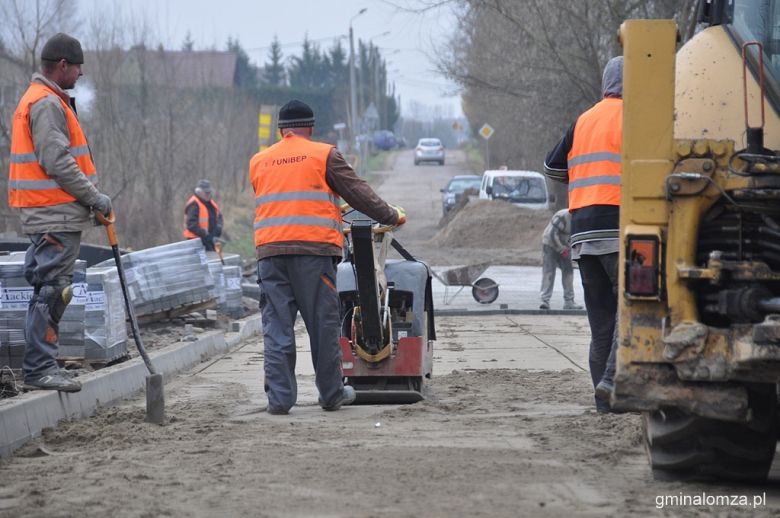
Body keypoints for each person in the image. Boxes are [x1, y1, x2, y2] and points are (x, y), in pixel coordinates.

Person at [248, 99, 405, 415]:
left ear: (281, 130)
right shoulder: (324, 154)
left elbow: (284, 200)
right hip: (314, 253)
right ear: (311, 127)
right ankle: (331, 394)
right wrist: (391, 214)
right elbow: (358, 193)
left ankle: (279, 400)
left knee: (277, 328)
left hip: (270, 254)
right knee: (322, 325)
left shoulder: (259, 161)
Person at [8, 33, 112, 392]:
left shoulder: (47, 100)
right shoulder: (46, 103)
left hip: (53, 212)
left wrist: (88, 203)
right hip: (53, 214)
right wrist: (94, 197)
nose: (81, 73)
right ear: (63, 65)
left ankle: (42, 365)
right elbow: (57, 162)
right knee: (53, 290)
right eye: (78, 66)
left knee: (50, 289)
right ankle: (39, 369)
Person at [543, 56, 623, 412]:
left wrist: (579, 176)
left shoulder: (583, 120)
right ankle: (611, 380)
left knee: (602, 324)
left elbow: (551, 166)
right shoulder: (641, 117)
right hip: (623, 230)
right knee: (632, 315)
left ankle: (602, 401)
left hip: (583, 236)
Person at [539, 209, 582, 311]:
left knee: (568, 273)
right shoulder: (563, 216)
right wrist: (561, 249)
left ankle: (569, 302)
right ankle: (544, 301)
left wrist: (571, 250)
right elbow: (552, 234)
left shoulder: (580, 219)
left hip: (564, 245)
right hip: (549, 244)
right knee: (549, 272)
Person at [183, 179, 223, 251]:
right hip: (196, 242)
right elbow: (191, 224)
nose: (208, 194)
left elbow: (219, 216)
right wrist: (204, 233)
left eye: (209, 192)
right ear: (198, 192)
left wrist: (218, 228)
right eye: (206, 192)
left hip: (210, 240)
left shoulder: (211, 203)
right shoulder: (194, 204)